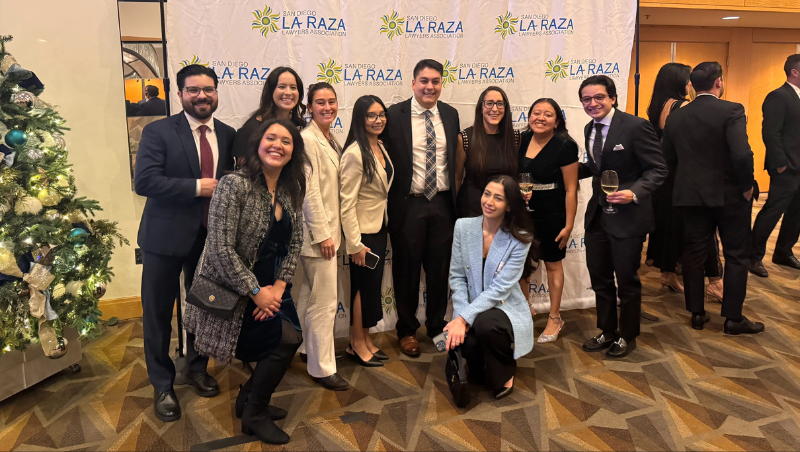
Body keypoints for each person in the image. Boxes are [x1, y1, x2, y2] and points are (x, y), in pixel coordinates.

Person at [183, 118, 308, 445]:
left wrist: (278, 289)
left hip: (270, 289)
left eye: (286, 141)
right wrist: (255, 293)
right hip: (228, 292)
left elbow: (295, 244)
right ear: (257, 143)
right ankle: (254, 413)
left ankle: (249, 401)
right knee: (283, 341)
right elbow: (221, 248)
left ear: (294, 151)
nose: (277, 145)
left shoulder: (289, 188)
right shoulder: (233, 185)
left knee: (290, 339)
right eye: (271, 138)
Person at [134, 64, 235, 422]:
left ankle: (196, 367)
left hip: (210, 241)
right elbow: (144, 182)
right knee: (158, 315)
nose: (202, 96)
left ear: (217, 92)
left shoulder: (228, 133)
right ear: (180, 94)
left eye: (208, 89)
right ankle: (162, 384)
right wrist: (198, 186)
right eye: (193, 90)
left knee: (205, 308)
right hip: (163, 239)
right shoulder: (158, 131)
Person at [662, 62, 765, 335]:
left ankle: (697, 313)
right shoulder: (732, 109)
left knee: (694, 254)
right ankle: (733, 318)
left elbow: (667, 160)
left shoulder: (676, 117)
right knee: (736, 255)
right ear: (718, 82)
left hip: (690, 196)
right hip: (729, 195)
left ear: (692, 86)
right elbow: (742, 154)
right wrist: (746, 186)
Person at [578, 75, 667, 358]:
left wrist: (634, 193)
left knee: (627, 280)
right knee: (600, 278)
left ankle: (628, 336)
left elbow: (658, 169)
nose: (593, 104)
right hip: (598, 217)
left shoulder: (636, 126)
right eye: (587, 99)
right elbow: (596, 167)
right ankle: (607, 330)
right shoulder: (588, 129)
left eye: (599, 97)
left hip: (628, 217)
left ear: (613, 98)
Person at [382, 59, 460, 357]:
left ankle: (438, 325)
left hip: (442, 203)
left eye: (436, 81)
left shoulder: (450, 115)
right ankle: (406, 330)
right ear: (413, 83)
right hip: (409, 205)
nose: (430, 86)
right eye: (424, 81)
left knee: (440, 271)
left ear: (442, 84)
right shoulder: (393, 115)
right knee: (407, 270)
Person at [445, 175, 534, 402]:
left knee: (484, 324)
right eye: (487, 194)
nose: (489, 201)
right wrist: (459, 317)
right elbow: (456, 277)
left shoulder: (520, 238)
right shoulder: (463, 227)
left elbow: (500, 290)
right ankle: (480, 363)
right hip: (472, 304)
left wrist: (464, 319)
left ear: (510, 205)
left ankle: (505, 372)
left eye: (498, 198)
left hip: (504, 306)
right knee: (465, 339)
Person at [645, 63, 724, 300]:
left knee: (670, 227)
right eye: (688, 79)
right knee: (701, 228)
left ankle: (668, 274)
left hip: (665, 175)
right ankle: (715, 280)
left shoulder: (657, 106)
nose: (691, 84)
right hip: (685, 174)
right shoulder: (683, 107)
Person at [296, 82, 348, 391]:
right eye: (320, 102)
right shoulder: (307, 139)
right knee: (325, 303)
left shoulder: (330, 138)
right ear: (309, 107)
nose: (327, 107)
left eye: (331, 101)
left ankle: (306, 349)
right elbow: (309, 192)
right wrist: (322, 234)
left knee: (309, 295)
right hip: (319, 237)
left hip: (329, 234)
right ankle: (322, 367)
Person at [518, 98, 579, 343]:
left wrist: (569, 225)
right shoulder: (520, 140)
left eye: (548, 114)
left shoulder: (565, 145)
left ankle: (555, 317)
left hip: (553, 215)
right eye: (536, 113)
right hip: (523, 215)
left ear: (557, 121)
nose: (540, 118)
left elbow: (571, 189)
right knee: (521, 269)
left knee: (553, 265)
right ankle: (524, 309)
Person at [340, 95, 394, 367]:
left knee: (371, 288)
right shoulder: (353, 153)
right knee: (362, 288)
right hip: (362, 233)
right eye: (371, 115)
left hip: (379, 225)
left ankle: (365, 338)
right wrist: (355, 243)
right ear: (360, 119)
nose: (378, 119)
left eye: (381, 114)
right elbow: (346, 203)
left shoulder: (379, 147)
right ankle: (356, 343)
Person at [749, 54, 800, 277]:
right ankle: (752, 256)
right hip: (786, 167)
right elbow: (770, 132)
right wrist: (780, 164)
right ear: (795, 72)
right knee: (773, 211)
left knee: (797, 213)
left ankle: (783, 251)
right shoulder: (779, 96)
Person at [454, 86, 519, 217]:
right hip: (471, 210)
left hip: (504, 211)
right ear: (480, 107)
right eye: (489, 103)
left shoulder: (515, 138)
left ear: (505, 108)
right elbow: (457, 178)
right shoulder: (465, 138)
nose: (494, 109)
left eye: (500, 104)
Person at [232, 67, 306, 163]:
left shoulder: (301, 126)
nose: (288, 92)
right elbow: (243, 173)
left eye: (293, 87)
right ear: (271, 92)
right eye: (282, 87)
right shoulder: (250, 130)